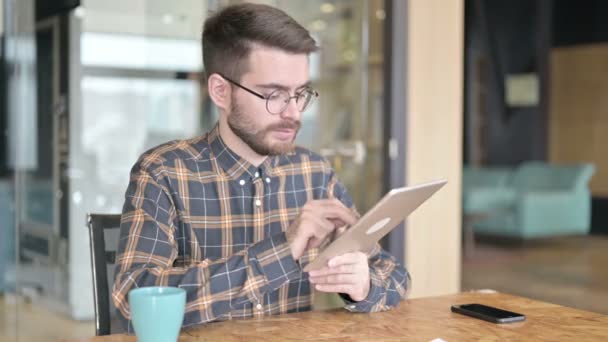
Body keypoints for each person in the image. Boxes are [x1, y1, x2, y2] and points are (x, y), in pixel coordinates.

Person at [113, 2, 409, 329]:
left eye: (300, 94)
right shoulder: (164, 172)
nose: (294, 113)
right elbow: (134, 300)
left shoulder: (314, 173)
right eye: (274, 95)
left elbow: (395, 278)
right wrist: (282, 250)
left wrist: (363, 285)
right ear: (221, 91)